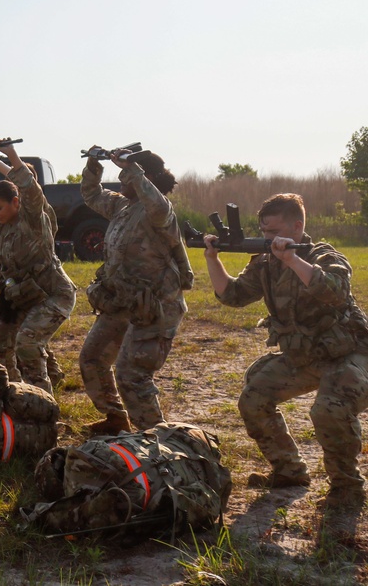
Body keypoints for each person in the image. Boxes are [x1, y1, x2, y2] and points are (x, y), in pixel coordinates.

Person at [203, 193, 368, 508]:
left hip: (351, 353)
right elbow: (233, 295)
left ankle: (347, 488)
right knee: (254, 398)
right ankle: (289, 471)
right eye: (264, 232)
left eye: (274, 231)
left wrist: (292, 260)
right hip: (307, 356)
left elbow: (334, 292)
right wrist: (213, 259)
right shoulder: (266, 263)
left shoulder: (325, 256)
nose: (267, 239)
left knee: (328, 409)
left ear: (297, 226)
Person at [78, 147, 190, 435]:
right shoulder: (122, 206)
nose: (121, 181)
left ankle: (158, 441)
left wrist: (133, 168)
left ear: (145, 177)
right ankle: (116, 420)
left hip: (154, 307)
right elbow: (91, 194)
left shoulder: (159, 209)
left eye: (125, 175)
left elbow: (153, 201)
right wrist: (94, 162)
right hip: (121, 301)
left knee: (131, 375)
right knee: (92, 358)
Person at [0, 142, 76, 394]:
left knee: (27, 343)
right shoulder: (4, 221)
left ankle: (41, 400)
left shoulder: (34, 218)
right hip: (24, 293)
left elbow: (30, 188)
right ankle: (14, 387)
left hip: (53, 293)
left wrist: (8, 155)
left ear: (16, 202)